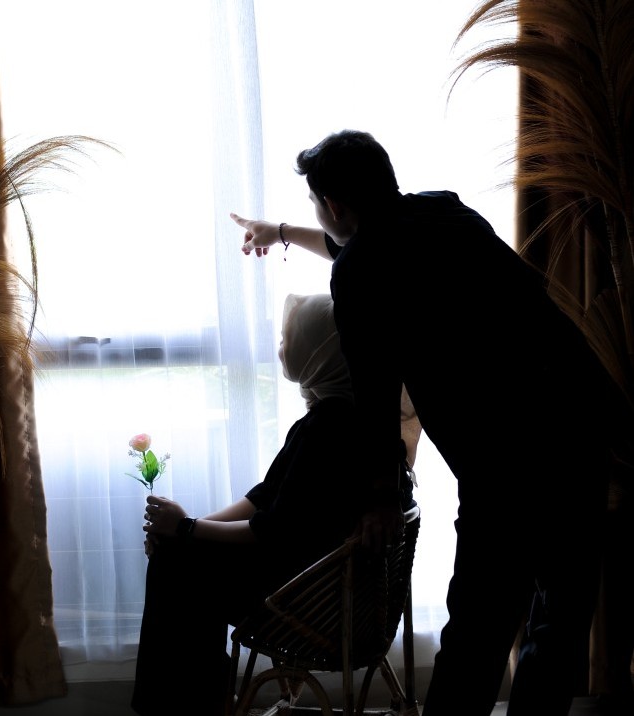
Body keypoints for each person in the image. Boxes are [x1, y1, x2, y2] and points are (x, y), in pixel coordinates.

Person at [230, 129, 634, 716]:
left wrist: (380, 497)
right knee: (561, 617)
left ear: (334, 205)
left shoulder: (362, 271)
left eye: (316, 203)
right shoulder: (443, 212)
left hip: (503, 457)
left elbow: (375, 394)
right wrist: (283, 232)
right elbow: (369, 247)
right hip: (578, 421)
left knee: (478, 627)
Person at [131, 292, 418, 716]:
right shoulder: (358, 421)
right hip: (337, 594)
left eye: (288, 339)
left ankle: (187, 705)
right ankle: (200, 698)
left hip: (309, 603)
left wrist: (187, 530)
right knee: (180, 553)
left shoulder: (328, 429)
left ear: (319, 354)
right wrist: (185, 527)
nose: (280, 346)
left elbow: (271, 531)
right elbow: (263, 498)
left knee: (176, 566)